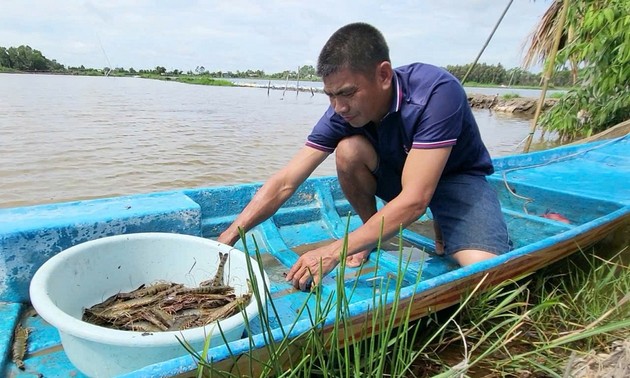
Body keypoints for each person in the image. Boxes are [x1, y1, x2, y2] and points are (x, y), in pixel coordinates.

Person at [218, 22, 512, 291]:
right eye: (330, 96)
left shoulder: (436, 92)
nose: (338, 107)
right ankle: (373, 234)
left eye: (347, 93)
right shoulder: (342, 112)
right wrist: (229, 237)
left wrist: (334, 250)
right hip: (403, 174)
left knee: (483, 270)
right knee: (349, 151)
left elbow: (415, 200)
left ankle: (429, 223)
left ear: (383, 75)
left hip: (455, 179)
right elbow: (285, 181)